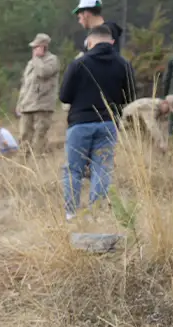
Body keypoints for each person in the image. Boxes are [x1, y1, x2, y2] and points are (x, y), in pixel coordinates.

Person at [60, 25, 136, 220]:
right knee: (102, 168)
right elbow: (130, 96)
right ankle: (95, 214)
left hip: (80, 123)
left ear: (90, 42)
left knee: (73, 169)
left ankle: (71, 213)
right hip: (108, 124)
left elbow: (64, 96)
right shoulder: (123, 64)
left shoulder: (79, 63)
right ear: (111, 42)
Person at [17, 33, 61, 154]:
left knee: (39, 136)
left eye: (36, 47)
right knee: (24, 136)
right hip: (27, 105)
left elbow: (43, 72)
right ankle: (23, 163)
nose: (33, 49)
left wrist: (37, 59)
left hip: (42, 105)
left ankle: (37, 163)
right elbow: (25, 85)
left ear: (43, 47)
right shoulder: (31, 63)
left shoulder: (52, 60)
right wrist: (20, 103)